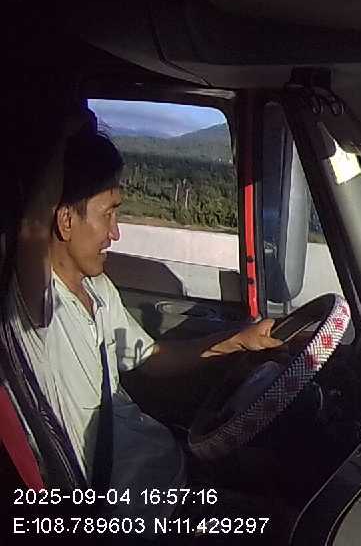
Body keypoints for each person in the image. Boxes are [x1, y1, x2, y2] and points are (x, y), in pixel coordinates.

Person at [5, 118, 283, 499]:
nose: (116, 232)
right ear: (66, 221)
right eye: (108, 214)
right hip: (137, 513)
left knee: (276, 474)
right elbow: (32, 228)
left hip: (169, 470)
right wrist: (63, 129)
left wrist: (237, 341)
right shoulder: (40, 312)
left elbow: (150, 357)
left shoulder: (98, 289)